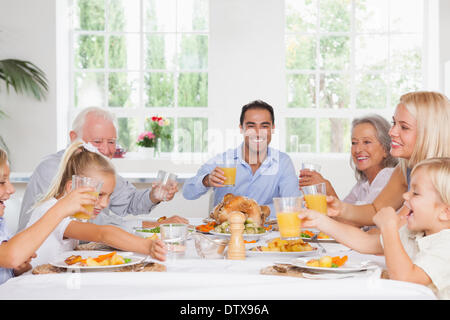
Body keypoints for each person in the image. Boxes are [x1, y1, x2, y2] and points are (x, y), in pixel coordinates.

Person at [299, 157, 450, 299]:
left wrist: (389, 228)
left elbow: (406, 279)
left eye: (415, 193)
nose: (405, 196)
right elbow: (364, 242)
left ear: (445, 212)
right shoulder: (415, 232)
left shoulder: (445, 246)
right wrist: (320, 221)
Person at [18, 106, 187, 232]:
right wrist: (154, 226)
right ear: (73, 138)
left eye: (112, 142)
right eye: (97, 142)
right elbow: (93, 224)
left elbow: (128, 202)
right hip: (33, 261)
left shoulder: (99, 167)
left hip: (78, 251)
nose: (106, 150)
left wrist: (154, 195)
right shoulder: (51, 169)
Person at [25, 141, 167, 267]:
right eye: (99, 195)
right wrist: (147, 246)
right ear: (71, 188)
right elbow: (102, 233)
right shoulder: (52, 211)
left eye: (109, 195)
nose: (105, 204)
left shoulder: (73, 215)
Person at [325, 91, 450, 227]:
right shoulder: (404, 169)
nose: (391, 132)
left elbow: (394, 230)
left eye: (404, 127)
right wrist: (339, 208)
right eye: (394, 123)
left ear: (429, 133)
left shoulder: (440, 177)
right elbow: (376, 210)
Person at [182, 100, 301, 218]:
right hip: (225, 233)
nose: (258, 133)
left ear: (272, 129)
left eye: (264, 126)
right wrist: (206, 181)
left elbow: (293, 204)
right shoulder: (223, 160)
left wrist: (257, 211)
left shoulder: (283, 162)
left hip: (266, 234)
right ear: (241, 128)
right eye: (251, 126)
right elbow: (187, 192)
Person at [1, 148, 97, 284]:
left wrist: (20, 268)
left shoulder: (2, 225)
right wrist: (62, 208)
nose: (11, 190)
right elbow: (11, 256)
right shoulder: (49, 209)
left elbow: (10, 265)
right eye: (1, 182)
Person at [299, 114, 398, 205]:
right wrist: (319, 193)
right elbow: (344, 214)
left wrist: (327, 189)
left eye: (367, 142)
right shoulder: (362, 184)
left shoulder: (387, 176)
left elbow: (359, 220)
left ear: (386, 149)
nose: (358, 149)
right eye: (354, 143)